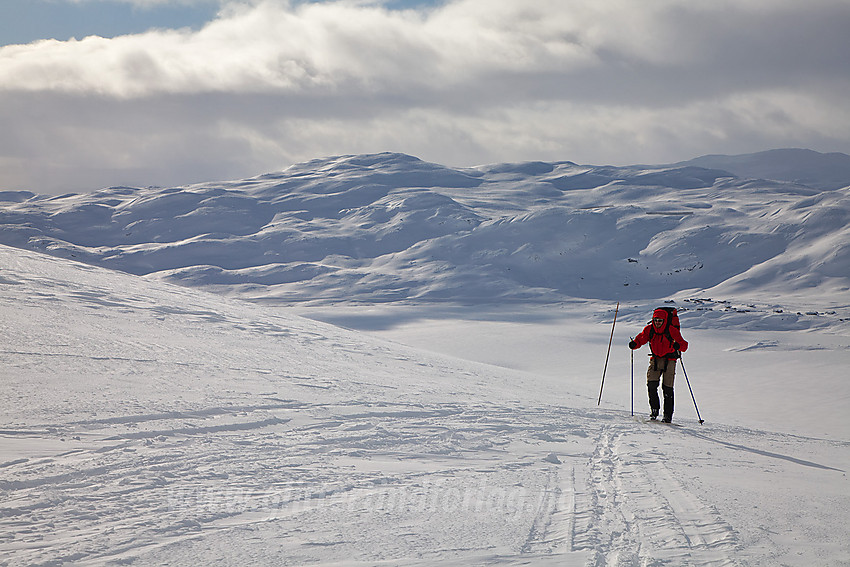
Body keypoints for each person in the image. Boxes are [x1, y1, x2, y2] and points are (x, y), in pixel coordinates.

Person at [629, 308, 688, 422]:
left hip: (670, 360)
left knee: (667, 388)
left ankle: (667, 416)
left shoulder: (671, 330)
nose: (657, 322)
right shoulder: (649, 329)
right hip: (655, 359)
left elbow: (684, 345)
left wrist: (678, 346)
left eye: (660, 320)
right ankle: (654, 411)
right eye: (655, 320)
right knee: (651, 384)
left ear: (664, 320)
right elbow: (641, 339)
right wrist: (634, 344)